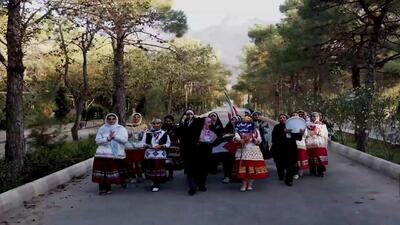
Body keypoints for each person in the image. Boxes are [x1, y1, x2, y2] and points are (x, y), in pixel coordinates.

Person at [92, 113, 128, 194]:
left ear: (116, 119)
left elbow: (124, 140)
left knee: (111, 171)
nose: (111, 120)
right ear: (106, 120)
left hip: (115, 154)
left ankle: (108, 187)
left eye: (113, 119)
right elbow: (97, 141)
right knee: (102, 172)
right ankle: (101, 188)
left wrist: (114, 137)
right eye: (109, 119)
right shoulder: (102, 128)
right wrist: (108, 138)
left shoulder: (121, 128)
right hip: (102, 153)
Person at [232, 115, 268, 191]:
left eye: (248, 119)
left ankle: (250, 184)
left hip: (253, 150)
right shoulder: (239, 128)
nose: (247, 120)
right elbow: (236, 136)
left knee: (253, 168)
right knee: (243, 167)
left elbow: (259, 139)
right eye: (245, 119)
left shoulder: (255, 129)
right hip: (243, 150)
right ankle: (244, 184)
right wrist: (239, 140)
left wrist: (255, 140)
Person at [271, 113, 303, 186]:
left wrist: (301, 133)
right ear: (278, 119)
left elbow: (299, 138)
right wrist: (283, 132)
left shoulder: (293, 127)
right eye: (281, 118)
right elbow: (274, 139)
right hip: (280, 149)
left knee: (291, 165)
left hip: (291, 149)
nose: (282, 119)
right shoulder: (277, 127)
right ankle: (281, 175)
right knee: (280, 164)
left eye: (284, 117)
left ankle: (289, 180)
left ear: (287, 119)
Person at [179, 110, 205, 195]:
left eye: (191, 113)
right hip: (186, 149)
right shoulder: (183, 122)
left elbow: (204, 121)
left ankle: (200, 185)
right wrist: (182, 121)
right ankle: (192, 187)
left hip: (197, 148)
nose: (189, 115)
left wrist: (198, 117)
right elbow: (181, 133)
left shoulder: (197, 121)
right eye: (187, 114)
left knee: (197, 168)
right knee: (189, 169)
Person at [142, 119, 171, 192]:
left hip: (160, 155)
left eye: (158, 123)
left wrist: (161, 146)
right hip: (150, 154)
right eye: (154, 123)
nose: (156, 125)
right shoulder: (147, 132)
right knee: (151, 168)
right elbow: (142, 142)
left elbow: (168, 144)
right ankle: (153, 181)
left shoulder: (164, 133)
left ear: (161, 124)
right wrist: (148, 145)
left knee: (157, 169)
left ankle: (156, 184)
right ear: (152, 124)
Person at [124, 113, 148, 183]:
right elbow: (125, 137)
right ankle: (132, 176)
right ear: (132, 118)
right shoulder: (127, 127)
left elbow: (146, 137)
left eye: (138, 117)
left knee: (139, 162)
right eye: (134, 117)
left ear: (140, 118)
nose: (136, 119)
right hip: (129, 147)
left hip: (140, 147)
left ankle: (140, 175)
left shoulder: (144, 127)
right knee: (131, 163)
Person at [305, 112, 329, 177]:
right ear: (311, 117)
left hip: (320, 144)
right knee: (311, 158)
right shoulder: (307, 125)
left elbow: (325, 134)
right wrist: (311, 133)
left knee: (320, 158)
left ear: (319, 117)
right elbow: (305, 134)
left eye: (316, 116)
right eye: (313, 116)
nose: (315, 117)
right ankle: (313, 171)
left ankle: (320, 171)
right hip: (310, 144)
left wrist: (318, 132)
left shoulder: (323, 125)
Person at [162, 115, 181, 180]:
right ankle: (163, 174)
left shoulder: (175, 127)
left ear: (172, 121)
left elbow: (179, 136)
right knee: (164, 160)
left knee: (171, 161)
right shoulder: (163, 127)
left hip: (173, 145)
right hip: (164, 145)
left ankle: (170, 175)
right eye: (166, 121)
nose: (168, 122)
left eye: (169, 121)